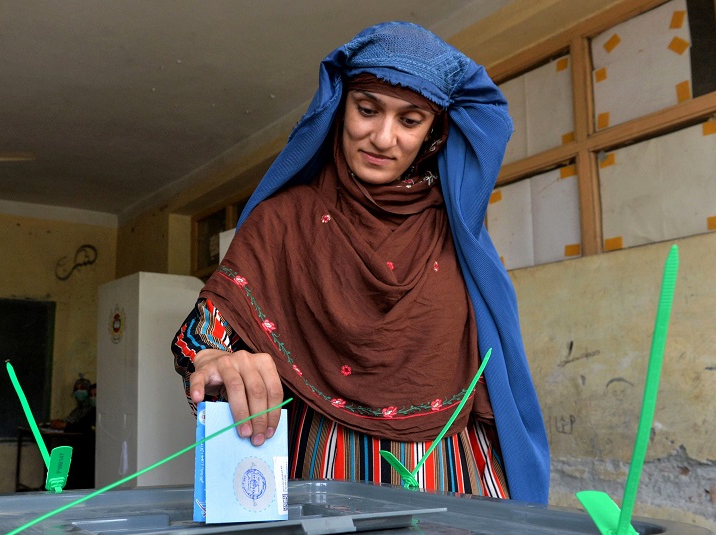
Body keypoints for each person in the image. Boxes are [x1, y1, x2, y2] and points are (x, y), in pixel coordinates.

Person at [172, 22, 549, 503]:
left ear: (434, 132)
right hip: (326, 473)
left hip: (454, 479)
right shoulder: (283, 221)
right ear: (339, 108)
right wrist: (215, 358)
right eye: (367, 110)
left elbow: (498, 377)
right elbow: (201, 335)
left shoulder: (459, 236)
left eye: (410, 121)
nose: (384, 138)